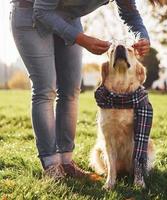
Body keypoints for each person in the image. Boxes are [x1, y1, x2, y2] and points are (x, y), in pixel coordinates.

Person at [11, 0, 158, 180]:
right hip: (31, 15)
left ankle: (66, 161)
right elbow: (42, 11)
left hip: (69, 18)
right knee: (46, 89)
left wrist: (142, 36)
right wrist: (82, 39)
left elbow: (130, 14)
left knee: (71, 90)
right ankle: (51, 164)